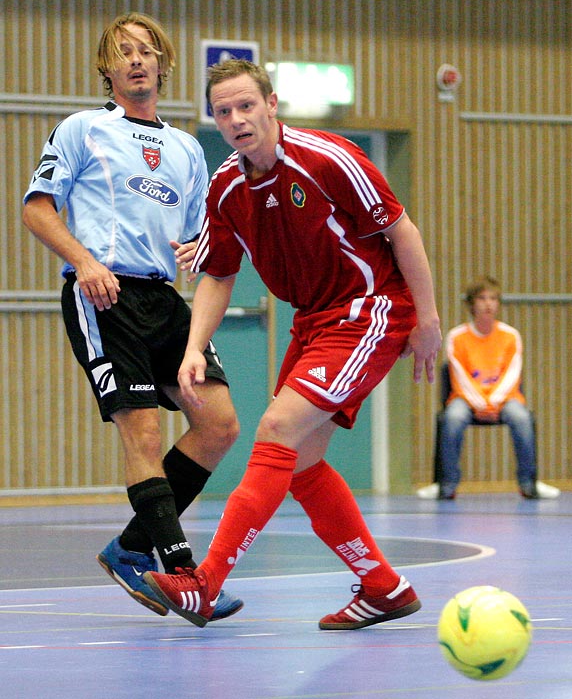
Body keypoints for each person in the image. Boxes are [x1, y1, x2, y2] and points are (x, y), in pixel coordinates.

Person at [144, 59, 442, 630]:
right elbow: (218, 273)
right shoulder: (227, 186)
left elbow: (401, 230)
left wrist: (426, 319)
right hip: (313, 321)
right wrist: (192, 348)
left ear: (271, 103)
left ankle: (205, 585)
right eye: (223, 111)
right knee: (300, 463)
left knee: (277, 430)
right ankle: (383, 586)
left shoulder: (328, 160)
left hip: (369, 308)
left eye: (246, 106)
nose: (236, 119)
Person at [21, 13, 243, 620]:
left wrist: (200, 249)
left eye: (147, 51)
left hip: (162, 299)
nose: (137, 60)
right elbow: (38, 210)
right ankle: (181, 573)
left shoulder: (188, 149)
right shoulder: (82, 130)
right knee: (143, 432)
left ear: (165, 65)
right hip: (104, 296)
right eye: (124, 52)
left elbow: (201, 232)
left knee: (219, 423)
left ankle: (129, 549)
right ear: (108, 67)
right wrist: (85, 263)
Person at [430, 275, 560, 500]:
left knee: (521, 418)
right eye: (482, 298)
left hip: (505, 399)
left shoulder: (510, 336)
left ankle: (529, 483)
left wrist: (494, 401)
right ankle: (447, 484)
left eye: (493, 298)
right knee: (452, 418)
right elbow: (459, 376)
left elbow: (512, 374)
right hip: (467, 400)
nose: (488, 303)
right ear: (472, 304)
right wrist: (481, 402)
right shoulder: (456, 337)